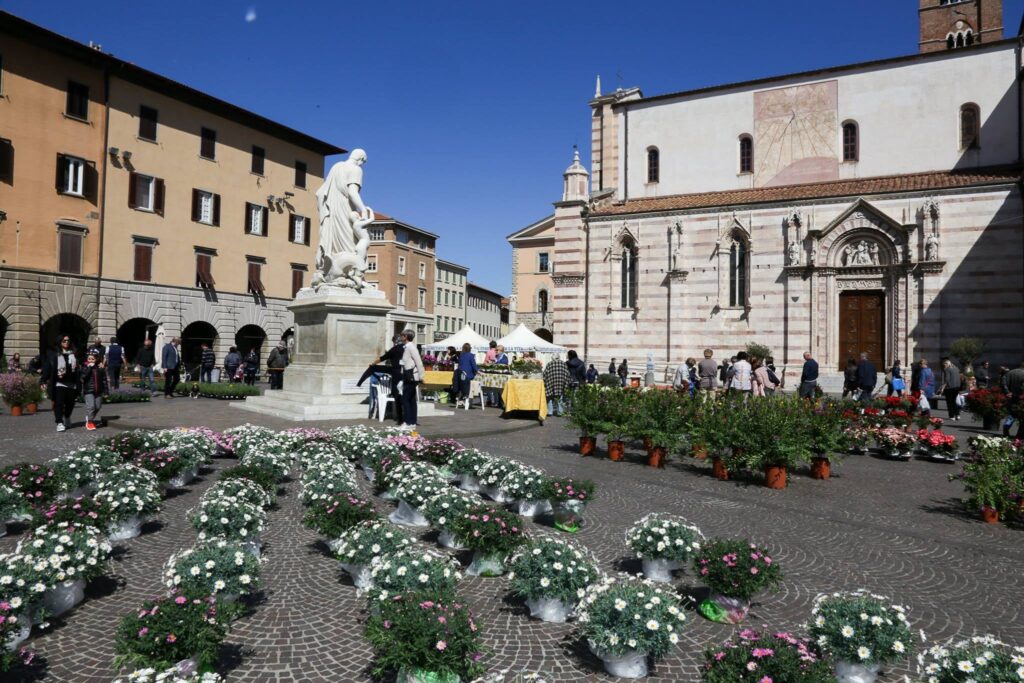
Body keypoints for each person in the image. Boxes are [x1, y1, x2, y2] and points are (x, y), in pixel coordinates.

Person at [42, 336, 78, 431]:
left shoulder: (73, 354)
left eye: (68, 340)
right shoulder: (54, 354)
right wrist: (43, 380)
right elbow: (48, 367)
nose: (66, 342)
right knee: (59, 404)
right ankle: (59, 422)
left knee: (70, 404)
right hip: (59, 383)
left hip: (71, 383)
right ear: (60, 342)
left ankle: (67, 417)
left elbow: (78, 368)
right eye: (64, 341)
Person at [399, 329, 425, 430]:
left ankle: (408, 422)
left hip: (411, 376)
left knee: (406, 399)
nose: (401, 337)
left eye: (402, 335)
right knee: (411, 399)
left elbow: (418, 362)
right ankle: (412, 422)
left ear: (406, 337)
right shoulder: (407, 347)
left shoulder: (411, 347)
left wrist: (421, 376)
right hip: (407, 375)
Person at [79, 351, 108, 430]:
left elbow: (104, 380)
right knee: (91, 406)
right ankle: (90, 422)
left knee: (98, 407)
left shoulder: (100, 367)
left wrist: (106, 392)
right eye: (89, 359)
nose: (91, 360)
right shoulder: (84, 366)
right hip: (88, 390)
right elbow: (83, 378)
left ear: (96, 359)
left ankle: (89, 417)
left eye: (93, 359)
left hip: (99, 391)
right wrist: (89, 368)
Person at [1001, 363, 1024, 438]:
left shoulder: (1009, 373)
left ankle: (1006, 427)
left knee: (1012, 414)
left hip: (1012, 397)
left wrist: (1007, 392)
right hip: (1021, 398)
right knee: (1022, 416)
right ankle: (1019, 434)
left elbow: (1003, 383)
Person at [457, 342, 478, 409]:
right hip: (468, 376)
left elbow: (460, 365)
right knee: (473, 385)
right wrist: (477, 371)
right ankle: (467, 400)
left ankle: (461, 398)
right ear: (470, 349)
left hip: (461, 375)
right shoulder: (471, 355)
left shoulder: (461, 355)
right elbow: (474, 366)